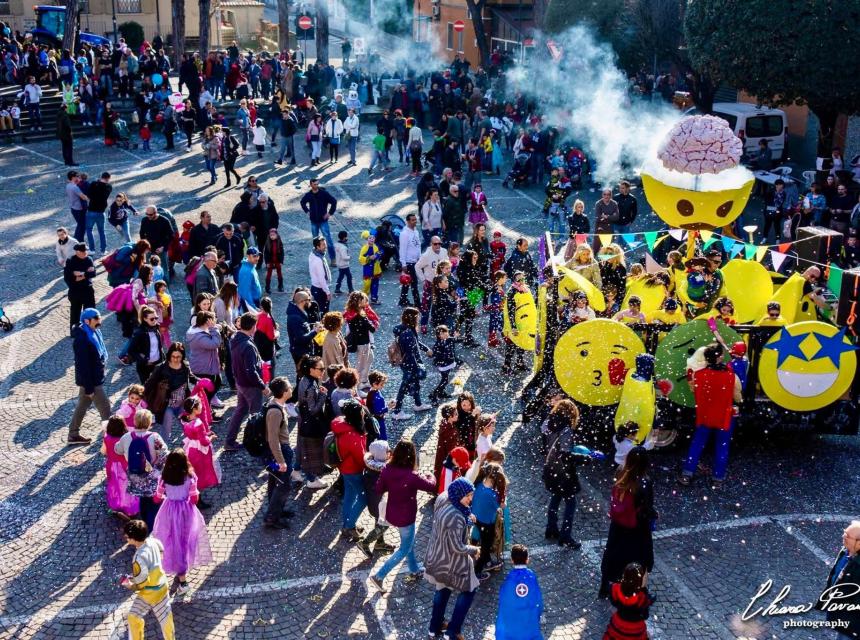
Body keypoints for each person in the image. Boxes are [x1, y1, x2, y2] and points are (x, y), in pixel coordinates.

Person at [368, 439, 437, 591]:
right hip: (406, 517)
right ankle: (379, 576)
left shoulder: (387, 469)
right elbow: (431, 486)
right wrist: (429, 475)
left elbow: (378, 489)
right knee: (404, 549)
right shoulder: (412, 476)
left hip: (393, 514)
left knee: (408, 543)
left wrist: (390, 484)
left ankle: (414, 570)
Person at [678, 342, 742, 487]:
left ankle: (687, 474)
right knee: (722, 447)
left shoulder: (698, 375)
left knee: (697, 444)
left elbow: (693, 389)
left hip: (704, 416)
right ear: (720, 357)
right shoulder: (732, 376)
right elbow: (738, 398)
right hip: (724, 417)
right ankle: (717, 478)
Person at [424, 477, 480, 640]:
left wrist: (468, 516)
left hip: (436, 556)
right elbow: (457, 547)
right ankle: (453, 631)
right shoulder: (456, 516)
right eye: (467, 495)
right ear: (459, 494)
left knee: (442, 590)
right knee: (470, 590)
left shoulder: (444, 497)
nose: (470, 499)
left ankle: (434, 628)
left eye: (471, 495)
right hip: (451, 563)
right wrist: (474, 549)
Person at [151, 448, 212, 595]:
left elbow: (157, 498)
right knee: (185, 540)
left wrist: (167, 497)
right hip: (186, 512)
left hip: (169, 512)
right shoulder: (190, 477)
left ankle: (178, 570)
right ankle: (183, 576)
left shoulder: (164, 478)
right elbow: (194, 499)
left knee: (171, 539)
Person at [599, 447, 657, 599]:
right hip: (636, 528)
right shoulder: (644, 482)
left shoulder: (620, 472)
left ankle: (605, 587)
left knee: (612, 554)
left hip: (618, 524)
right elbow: (647, 508)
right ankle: (640, 593)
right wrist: (654, 515)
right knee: (641, 559)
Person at [120, 519, 176, 640]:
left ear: (134, 539)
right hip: (162, 585)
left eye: (127, 537)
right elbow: (161, 549)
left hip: (150, 593)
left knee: (133, 617)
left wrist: (130, 585)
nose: (126, 538)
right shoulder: (152, 541)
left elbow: (142, 583)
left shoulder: (138, 558)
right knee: (165, 618)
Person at [115, 409, 169, 531]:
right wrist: (158, 468)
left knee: (142, 499)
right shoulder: (155, 437)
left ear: (135, 421)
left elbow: (117, 450)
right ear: (149, 422)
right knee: (153, 501)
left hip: (135, 475)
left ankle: (145, 523)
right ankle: (153, 527)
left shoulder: (126, 437)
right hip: (151, 474)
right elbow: (164, 454)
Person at [226, 312, 269, 451]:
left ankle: (229, 441)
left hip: (240, 382)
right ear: (252, 327)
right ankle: (255, 443)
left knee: (240, 411)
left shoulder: (235, 338)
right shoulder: (248, 345)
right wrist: (262, 386)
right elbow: (251, 371)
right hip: (251, 386)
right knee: (255, 416)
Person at [68, 308, 110, 446]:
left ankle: (73, 434)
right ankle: (111, 438)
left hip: (93, 378)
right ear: (87, 321)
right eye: (96, 318)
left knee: (82, 405)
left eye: (99, 317)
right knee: (105, 408)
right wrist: (89, 388)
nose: (99, 321)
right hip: (91, 381)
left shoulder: (93, 332)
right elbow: (83, 366)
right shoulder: (82, 340)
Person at [333, 399, 370, 540]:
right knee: (363, 498)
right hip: (353, 471)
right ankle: (349, 526)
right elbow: (361, 458)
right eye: (361, 411)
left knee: (349, 496)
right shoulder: (353, 435)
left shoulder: (341, 425)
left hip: (344, 468)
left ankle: (348, 523)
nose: (363, 413)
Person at [816, 520, 860, 637]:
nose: (843, 536)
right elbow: (835, 576)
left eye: (848, 536)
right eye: (845, 533)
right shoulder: (845, 551)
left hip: (852, 623)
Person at [262, 376, 295, 529]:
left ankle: (276, 510)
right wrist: (281, 461)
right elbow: (273, 439)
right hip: (279, 452)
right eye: (289, 387)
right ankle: (272, 517)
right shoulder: (275, 412)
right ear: (284, 392)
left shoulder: (276, 404)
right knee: (283, 485)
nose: (291, 388)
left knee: (274, 481)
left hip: (278, 451)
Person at [391, 307, 434, 420]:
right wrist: (416, 368)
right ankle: (397, 411)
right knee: (404, 387)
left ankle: (418, 404)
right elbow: (410, 353)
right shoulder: (408, 333)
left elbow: (416, 342)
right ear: (413, 318)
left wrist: (426, 349)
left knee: (415, 384)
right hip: (409, 364)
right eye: (417, 317)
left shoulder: (405, 329)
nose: (418, 319)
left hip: (405, 363)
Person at [495, 544, 544, 640]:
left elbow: (504, 602)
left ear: (512, 560)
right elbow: (538, 600)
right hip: (528, 624)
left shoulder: (509, 580)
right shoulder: (531, 577)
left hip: (511, 627)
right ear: (527, 560)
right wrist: (537, 615)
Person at [296, 355, 330, 489]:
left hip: (304, 421)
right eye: (321, 369)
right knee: (311, 452)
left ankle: (296, 470)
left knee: (303, 448)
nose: (323, 371)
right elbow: (313, 410)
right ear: (311, 370)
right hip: (311, 424)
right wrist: (323, 396)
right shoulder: (310, 386)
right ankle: (311, 479)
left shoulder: (305, 379)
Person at [102, 415, 140, 518]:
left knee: (114, 485)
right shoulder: (126, 438)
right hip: (124, 466)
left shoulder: (106, 437)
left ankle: (116, 505)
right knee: (126, 487)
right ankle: (129, 507)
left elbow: (104, 451)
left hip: (111, 465)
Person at [603, 562, 653, 640]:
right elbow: (645, 615)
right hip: (635, 628)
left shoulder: (615, 588)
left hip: (618, 623)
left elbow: (614, 602)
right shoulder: (642, 597)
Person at [344, 293, 379, 390]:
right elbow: (372, 329)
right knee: (360, 365)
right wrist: (372, 322)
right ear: (359, 302)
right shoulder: (361, 315)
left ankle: (363, 380)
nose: (366, 301)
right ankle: (357, 387)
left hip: (359, 341)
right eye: (364, 300)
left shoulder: (351, 312)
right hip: (363, 343)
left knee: (370, 358)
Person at [300, 178, 338, 262]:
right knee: (315, 241)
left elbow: (334, 201)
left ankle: (333, 259)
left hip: (323, 221)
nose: (316, 186)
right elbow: (302, 202)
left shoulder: (324, 194)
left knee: (328, 240)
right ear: (311, 184)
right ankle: (317, 258)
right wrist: (307, 212)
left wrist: (329, 213)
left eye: (317, 184)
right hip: (314, 221)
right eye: (315, 184)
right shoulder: (309, 195)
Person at [63, 242, 96, 335]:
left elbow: (93, 273)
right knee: (75, 313)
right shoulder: (70, 261)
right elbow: (68, 277)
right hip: (75, 291)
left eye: (86, 251)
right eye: (83, 251)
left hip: (87, 289)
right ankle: (74, 332)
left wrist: (81, 274)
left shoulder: (89, 259)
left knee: (89, 311)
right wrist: (84, 274)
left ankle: (90, 330)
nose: (86, 253)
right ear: (77, 252)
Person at [287, 289, 322, 372]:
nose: (310, 302)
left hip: (305, 350)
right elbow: (301, 338)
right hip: (300, 352)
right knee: (304, 374)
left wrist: (313, 325)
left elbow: (303, 327)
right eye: (308, 300)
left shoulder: (300, 312)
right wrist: (315, 331)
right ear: (302, 301)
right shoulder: (295, 317)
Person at [129, 306, 165, 384]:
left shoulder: (156, 328)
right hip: (145, 367)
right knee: (147, 388)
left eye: (156, 318)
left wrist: (164, 359)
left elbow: (159, 346)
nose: (155, 320)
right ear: (145, 319)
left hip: (157, 364)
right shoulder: (139, 333)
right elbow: (131, 350)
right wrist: (144, 361)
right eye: (152, 319)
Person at [399, 213, 423, 307]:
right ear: (408, 221)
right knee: (414, 283)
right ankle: (417, 303)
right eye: (413, 220)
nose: (415, 221)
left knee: (407, 282)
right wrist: (403, 263)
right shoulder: (404, 234)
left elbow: (418, 246)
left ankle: (402, 300)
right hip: (409, 262)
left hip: (416, 261)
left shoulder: (416, 231)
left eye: (415, 219)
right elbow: (402, 249)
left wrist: (420, 258)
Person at [309, 236, 333, 313]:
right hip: (320, 290)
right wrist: (327, 292)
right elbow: (321, 278)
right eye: (323, 245)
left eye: (325, 244)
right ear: (317, 247)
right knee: (324, 312)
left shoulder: (313, 254)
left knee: (318, 311)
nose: (325, 246)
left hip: (315, 288)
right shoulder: (318, 260)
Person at [237, 247, 263, 312]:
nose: (257, 258)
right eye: (254, 256)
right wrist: (253, 307)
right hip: (251, 303)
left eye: (258, 255)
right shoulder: (247, 271)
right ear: (248, 256)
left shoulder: (251, 266)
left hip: (254, 300)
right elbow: (245, 292)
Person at [66, 170, 90, 242]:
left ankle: (75, 239)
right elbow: (83, 197)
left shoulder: (68, 185)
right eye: (77, 176)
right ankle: (80, 242)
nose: (78, 177)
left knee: (80, 225)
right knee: (82, 226)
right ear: (73, 177)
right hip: (79, 209)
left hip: (73, 208)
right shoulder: (75, 187)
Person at [336, 230, 355, 296]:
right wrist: (349, 257)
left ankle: (337, 288)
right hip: (344, 265)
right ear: (344, 237)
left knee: (340, 276)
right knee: (349, 277)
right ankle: (351, 289)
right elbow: (344, 257)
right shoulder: (343, 247)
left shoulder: (337, 244)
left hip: (339, 263)